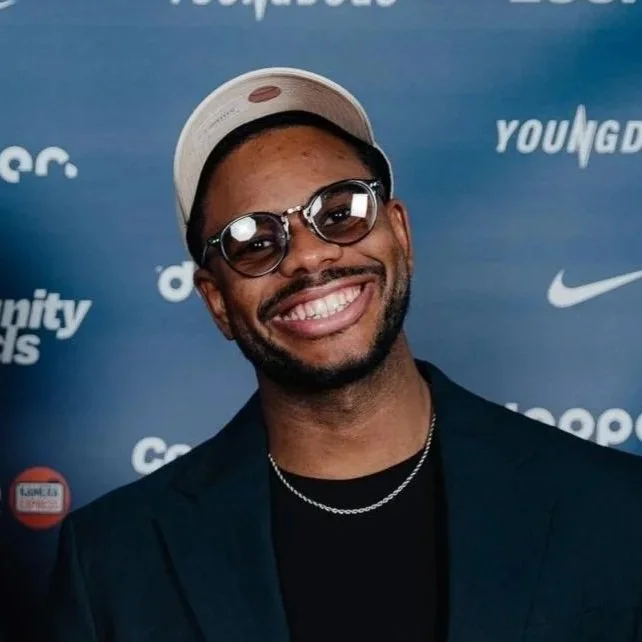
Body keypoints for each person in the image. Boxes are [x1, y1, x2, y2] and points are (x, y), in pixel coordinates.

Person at [41, 67, 642, 642]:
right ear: (217, 301)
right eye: (255, 242)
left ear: (400, 233)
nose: (308, 256)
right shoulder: (113, 560)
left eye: (340, 212)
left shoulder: (614, 510)